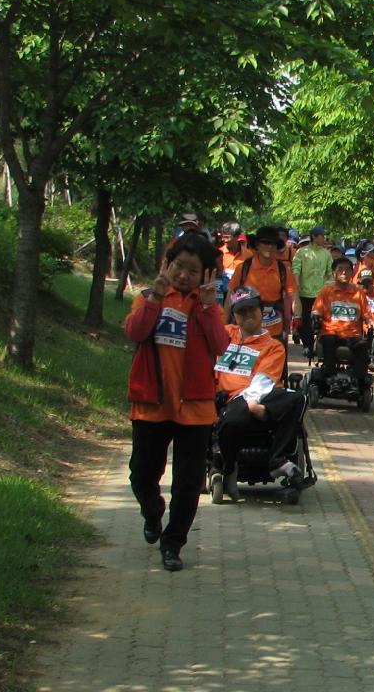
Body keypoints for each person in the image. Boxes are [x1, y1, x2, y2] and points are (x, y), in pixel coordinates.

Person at [125, 234, 225, 571]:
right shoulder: (148, 298)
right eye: (178, 266)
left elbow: (220, 345)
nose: (183, 275)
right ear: (167, 265)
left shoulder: (209, 307)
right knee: (141, 474)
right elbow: (135, 333)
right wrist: (155, 296)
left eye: (193, 270)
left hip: (194, 409)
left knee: (187, 483)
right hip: (152, 403)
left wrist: (210, 307)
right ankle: (152, 512)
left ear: (206, 275)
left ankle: (173, 544)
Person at [213, 287, 306, 499]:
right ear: (234, 315)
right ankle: (228, 467)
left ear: (261, 310)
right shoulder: (226, 335)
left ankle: (278, 459)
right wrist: (209, 304)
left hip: (263, 396)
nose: (247, 314)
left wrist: (254, 404)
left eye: (251, 309)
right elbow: (206, 327)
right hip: (231, 397)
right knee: (232, 420)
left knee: (297, 398)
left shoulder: (273, 345)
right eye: (241, 311)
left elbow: (264, 379)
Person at [311, 254, 373, 389]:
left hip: (353, 335)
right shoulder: (326, 292)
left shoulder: (359, 293)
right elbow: (316, 310)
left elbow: (366, 314)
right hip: (331, 332)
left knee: (363, 346)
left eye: (347, 270)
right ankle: (330, 376)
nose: (344, 272)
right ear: (334, 273)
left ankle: (356, 380)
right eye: (340, 269)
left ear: (352, 273)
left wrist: (371, 322)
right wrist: (315, 316)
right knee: (328, 341)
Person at [228, 226, 296, 344]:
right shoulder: (243, 268)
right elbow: (230, 297)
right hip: (246, 329)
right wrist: (225, 325)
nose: (269, 247)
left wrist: (297, 317)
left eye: (273, 244)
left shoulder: (283, 270)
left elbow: (294, 296)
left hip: (274, 331)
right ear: (257, 245)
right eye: (265, 243)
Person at [292, 226, 334, 356]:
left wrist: (329, 287)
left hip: (320, 294)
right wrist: (297, 284)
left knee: (321, 320)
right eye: (322, 236)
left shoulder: (326, 253)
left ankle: (320, 345)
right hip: (305, 292)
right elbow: (296, 269)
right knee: (305, 321)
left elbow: (330, 272)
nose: (324, 238)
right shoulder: (302, 252)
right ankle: (307, 346)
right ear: (314, 237)